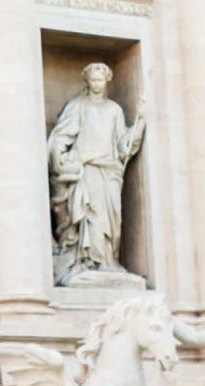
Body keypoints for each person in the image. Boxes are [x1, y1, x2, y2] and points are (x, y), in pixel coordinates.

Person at [47, 62, 146, 285]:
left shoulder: (114, 110)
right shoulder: (78, 106)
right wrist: (60, 159)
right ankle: (87, 261)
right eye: (93, 80)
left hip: (109, 170)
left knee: (111, 219)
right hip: (87, 169)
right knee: (91, 216)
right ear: (87, 81)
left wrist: (139, 121)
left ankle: (109, 261)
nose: (97, 84)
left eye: (101, 80)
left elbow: (123, 146)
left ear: (107, 81)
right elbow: (61, 136)